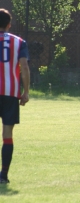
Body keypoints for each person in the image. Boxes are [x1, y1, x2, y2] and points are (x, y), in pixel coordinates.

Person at [0, 9, 30, 184]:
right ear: (9, 25)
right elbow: (24, 67)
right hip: (10, 93)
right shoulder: (19, 42)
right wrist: (25, 92)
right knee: (7, 133)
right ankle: (3, 175)